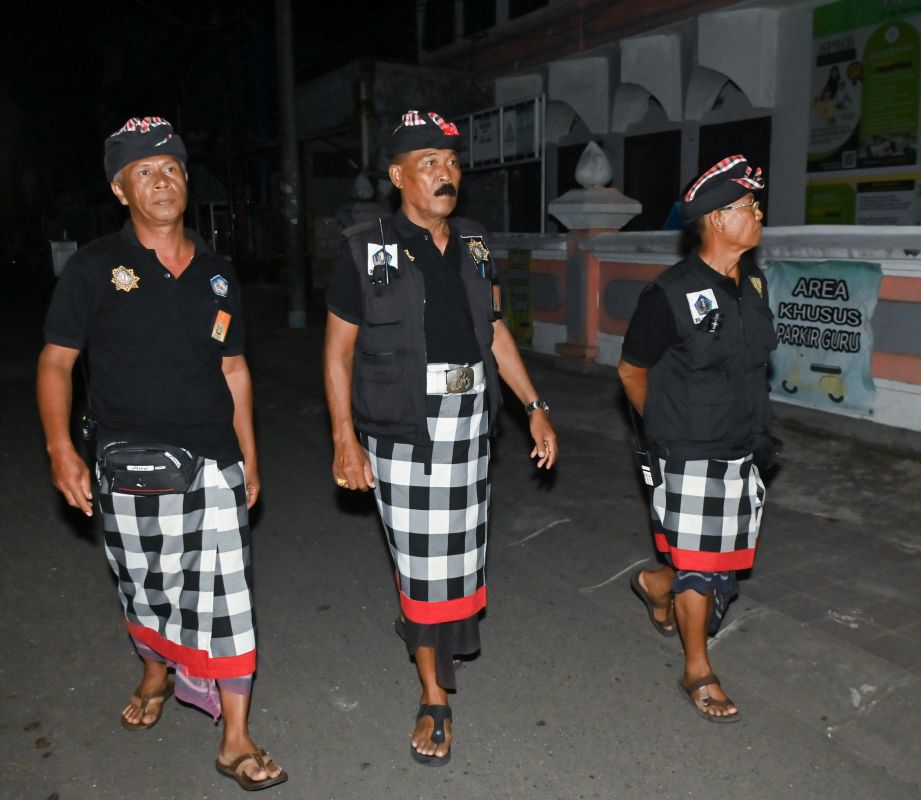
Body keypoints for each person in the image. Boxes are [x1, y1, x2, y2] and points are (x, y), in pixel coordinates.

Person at [36, 117, 286, 791]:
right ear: (121, 189)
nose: (162, 180)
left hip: (213, 459)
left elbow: (235, 370)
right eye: (144, 170)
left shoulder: (217, 273)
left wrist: (250, 457)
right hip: (130, 464)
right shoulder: (93, 269)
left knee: (230, 596)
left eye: (171, 167)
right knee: (149, 590)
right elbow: (57, 364)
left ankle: (235, 739)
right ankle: (155, 670)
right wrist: (62, 451)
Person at [324, 110, 558, 764]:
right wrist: (344, 437)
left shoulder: (477, 243)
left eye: (452, 163)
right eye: (429, 163)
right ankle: (434, 692)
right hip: (403, 422)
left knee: (460, 559)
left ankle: (440, 658)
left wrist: (534, 405)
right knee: (422, 566)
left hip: (470, 421)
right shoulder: (364, 248)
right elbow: (338, 351)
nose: (445, 174)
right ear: (398, 175)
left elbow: (495, 332)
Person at [618, 155, 778, 724]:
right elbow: (631, 371)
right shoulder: (669, 295)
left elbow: (755, 367)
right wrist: (664, 425)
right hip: (686, 451)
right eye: (747, 206)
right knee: (701, 568)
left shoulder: (754, 283)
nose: (758, 214)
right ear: (715, 219)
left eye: (756, 205)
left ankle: (654, 583)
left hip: (745, 447)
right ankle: (696, 668)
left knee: (719, 567)